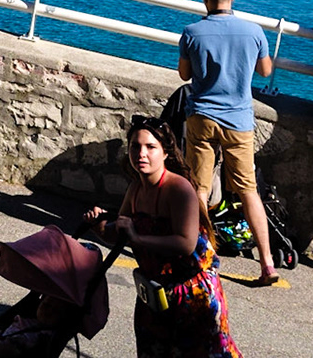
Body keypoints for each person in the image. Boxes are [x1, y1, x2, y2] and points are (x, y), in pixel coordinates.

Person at [85, 117, 242, 358]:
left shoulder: (179, 190)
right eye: (135, 147)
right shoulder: (136, 189)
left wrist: (137, 238)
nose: (141, 153)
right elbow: (119, 233)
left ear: (165, 152)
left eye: (150, 147)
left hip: (193, 297)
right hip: (156, 294)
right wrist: (98, 225)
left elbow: (185, 243)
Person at [176, 0, 277, 284]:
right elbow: (265, 70)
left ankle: (198, 254)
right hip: (238, 120)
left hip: (202, 117)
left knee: (200, 188)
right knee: (248, 190)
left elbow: (183, 75)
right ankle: (267, 263)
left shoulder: (192, 32)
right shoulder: (254, 31)